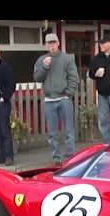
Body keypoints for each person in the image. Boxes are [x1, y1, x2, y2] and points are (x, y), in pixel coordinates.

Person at [33, 33, 80, 166]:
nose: (52, 45)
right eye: (49, 43)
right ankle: (56, 158)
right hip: (49, 100)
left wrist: (68, 93)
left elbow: (74, 77)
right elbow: (37, 78)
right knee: (52, 133)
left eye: (54, 42)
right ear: (46, 45)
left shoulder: (67, 59)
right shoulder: (41, 59)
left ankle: (70, 157)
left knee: (69, 130)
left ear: (58, 43)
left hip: (64, 99)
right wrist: (44, 67)